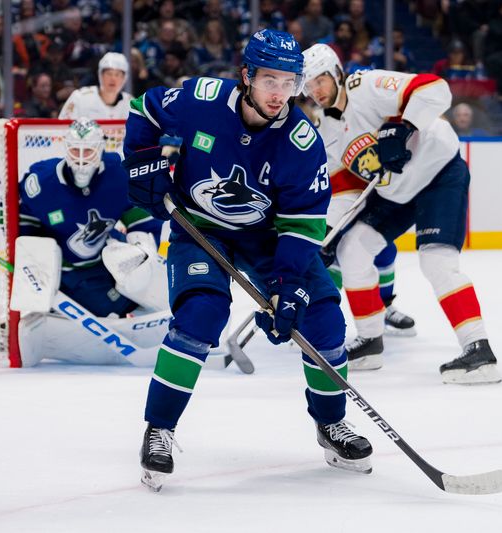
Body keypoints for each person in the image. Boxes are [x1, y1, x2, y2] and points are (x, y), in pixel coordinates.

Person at [123, 29, 373, 492]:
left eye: (289, 82)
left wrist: (286, 285)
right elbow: (144, 109)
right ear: (247, 77)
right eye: (270, 80)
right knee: (201, 314)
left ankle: (331, 423)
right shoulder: (202, 98)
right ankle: (160, 429)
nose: (280, 93)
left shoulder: (301, 141)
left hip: (267, 239)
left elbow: (302, 227)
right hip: (200, 229)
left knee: (324, 323)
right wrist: (141, 161)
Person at [302, 43, 501, 385]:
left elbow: (435, 89)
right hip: (395, 194)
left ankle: (479, 350)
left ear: (336, 72)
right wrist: (329, 233)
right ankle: (370, 342)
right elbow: (345, 189)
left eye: (319, 81)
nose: (315, 92)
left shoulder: (367, 86)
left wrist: (405, 126)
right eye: (307, 87)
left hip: (439, 174)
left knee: (436, 261)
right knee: (352, 250)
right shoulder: (328, 132)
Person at [17, 118, 170, 367]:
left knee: (145, 266)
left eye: (87, 151)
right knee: (102, 305)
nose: (80, 158)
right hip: (65, 274)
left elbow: (140, 218)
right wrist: (34, 259)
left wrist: (142, 252)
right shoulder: (41, 182)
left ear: (100, 149)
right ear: (65, 149)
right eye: (75, 151)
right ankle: (51, 316)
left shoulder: (118, 174)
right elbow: (19, 217)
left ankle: (180, 321)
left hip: (101, 265)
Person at [59, 52, 133, 120]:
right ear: (100, 75)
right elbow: (61, 129)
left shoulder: (131, 105)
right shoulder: (80, 97)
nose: (113, 79)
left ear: (124, 78)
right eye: (109, 73)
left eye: (117, 75)